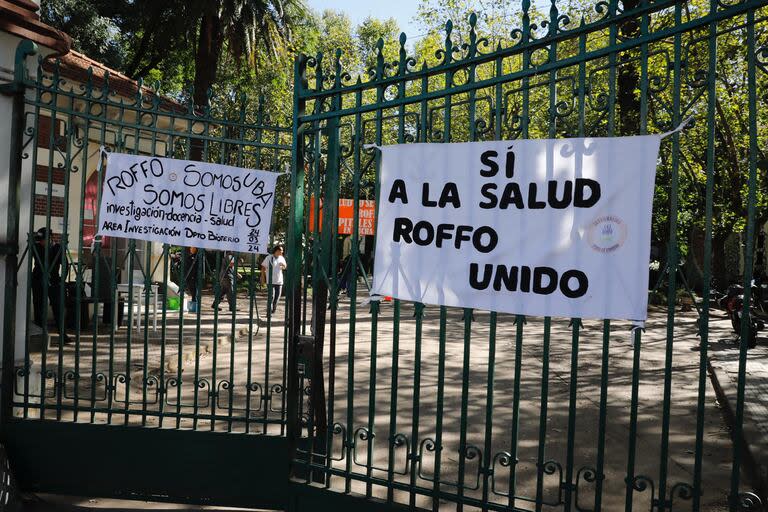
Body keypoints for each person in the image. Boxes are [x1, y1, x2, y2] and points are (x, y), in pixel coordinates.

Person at [31, 227, 68, 341]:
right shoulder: (36, 247)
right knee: (38, 306)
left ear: (50, 238)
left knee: (58, 307)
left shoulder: (57, 249)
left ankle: (62, 335)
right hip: (38, 280)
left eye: (42, 239)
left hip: (54, 280)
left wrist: (62, 279)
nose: (40, 242)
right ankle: (40, 334)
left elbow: (65, 264)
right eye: (39, 240)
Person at [261, 245, 286, 314]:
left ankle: (273, 309)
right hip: (270, 280)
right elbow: (263, 268)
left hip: (279, 281)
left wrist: (283, 266)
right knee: (271, 296)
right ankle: (269, 312)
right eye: (281, 250)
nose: (282, 251)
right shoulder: (269, 258)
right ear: (276, 251)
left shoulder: (281, 258)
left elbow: (284, 267)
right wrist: (263, 278)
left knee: (277, 297)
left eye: (282, 250)